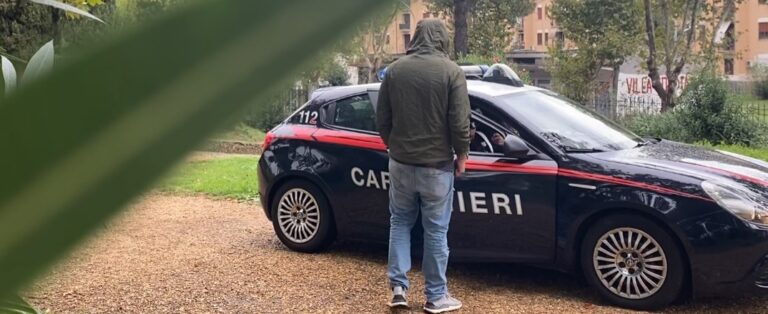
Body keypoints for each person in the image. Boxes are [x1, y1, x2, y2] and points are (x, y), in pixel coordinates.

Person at [376, 19, 468, 314]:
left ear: (415, 37)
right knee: (436, 231)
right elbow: (458, 121)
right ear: (442, 39)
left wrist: (393, 144)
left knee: (399, 222)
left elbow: (382, 118)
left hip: (401, 162)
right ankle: (436, 296)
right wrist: (462, 155)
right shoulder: (451, 72)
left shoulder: (395, 70)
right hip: (437, 165)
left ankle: (399, 289)